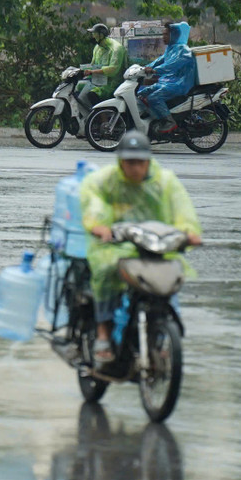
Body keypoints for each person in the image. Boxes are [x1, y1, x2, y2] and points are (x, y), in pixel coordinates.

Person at [80, 131, 202, 364]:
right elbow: (92, 198)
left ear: (148, 161)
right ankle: (103, 331)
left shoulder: (165, 181)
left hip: (156, 245)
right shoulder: (107, 179)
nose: (135, 168)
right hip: (117, 243)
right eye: (129, 162)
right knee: (106, 270)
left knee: (169, 281)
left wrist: (188, 231)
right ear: (120, 162)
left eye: (140, 162)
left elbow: (182, 207)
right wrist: (98, 225)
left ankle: (164, 332)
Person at [139, 21, 196, 134]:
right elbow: (158, 61)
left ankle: (169, 121)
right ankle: (155, 118)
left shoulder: (183, 50)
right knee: (141, 93)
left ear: (174, 35)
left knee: (154, 98)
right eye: (163, 34)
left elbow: (172, 66)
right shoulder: (171, 48)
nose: (163, 37)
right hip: (168, 81)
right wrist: (143, 68)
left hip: (179, 83)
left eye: (166, 34)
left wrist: (155, 70)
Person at [78, 24, 129, 105]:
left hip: (111, 84)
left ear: (101, 35)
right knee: (77, 87)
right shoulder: (97, 48)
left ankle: (101, 117)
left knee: (92, 94)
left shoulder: (116, 49)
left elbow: (113, 69)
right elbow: (92, 65)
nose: (92, 36)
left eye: (94, 34)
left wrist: (92, 72)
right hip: (98, 81)